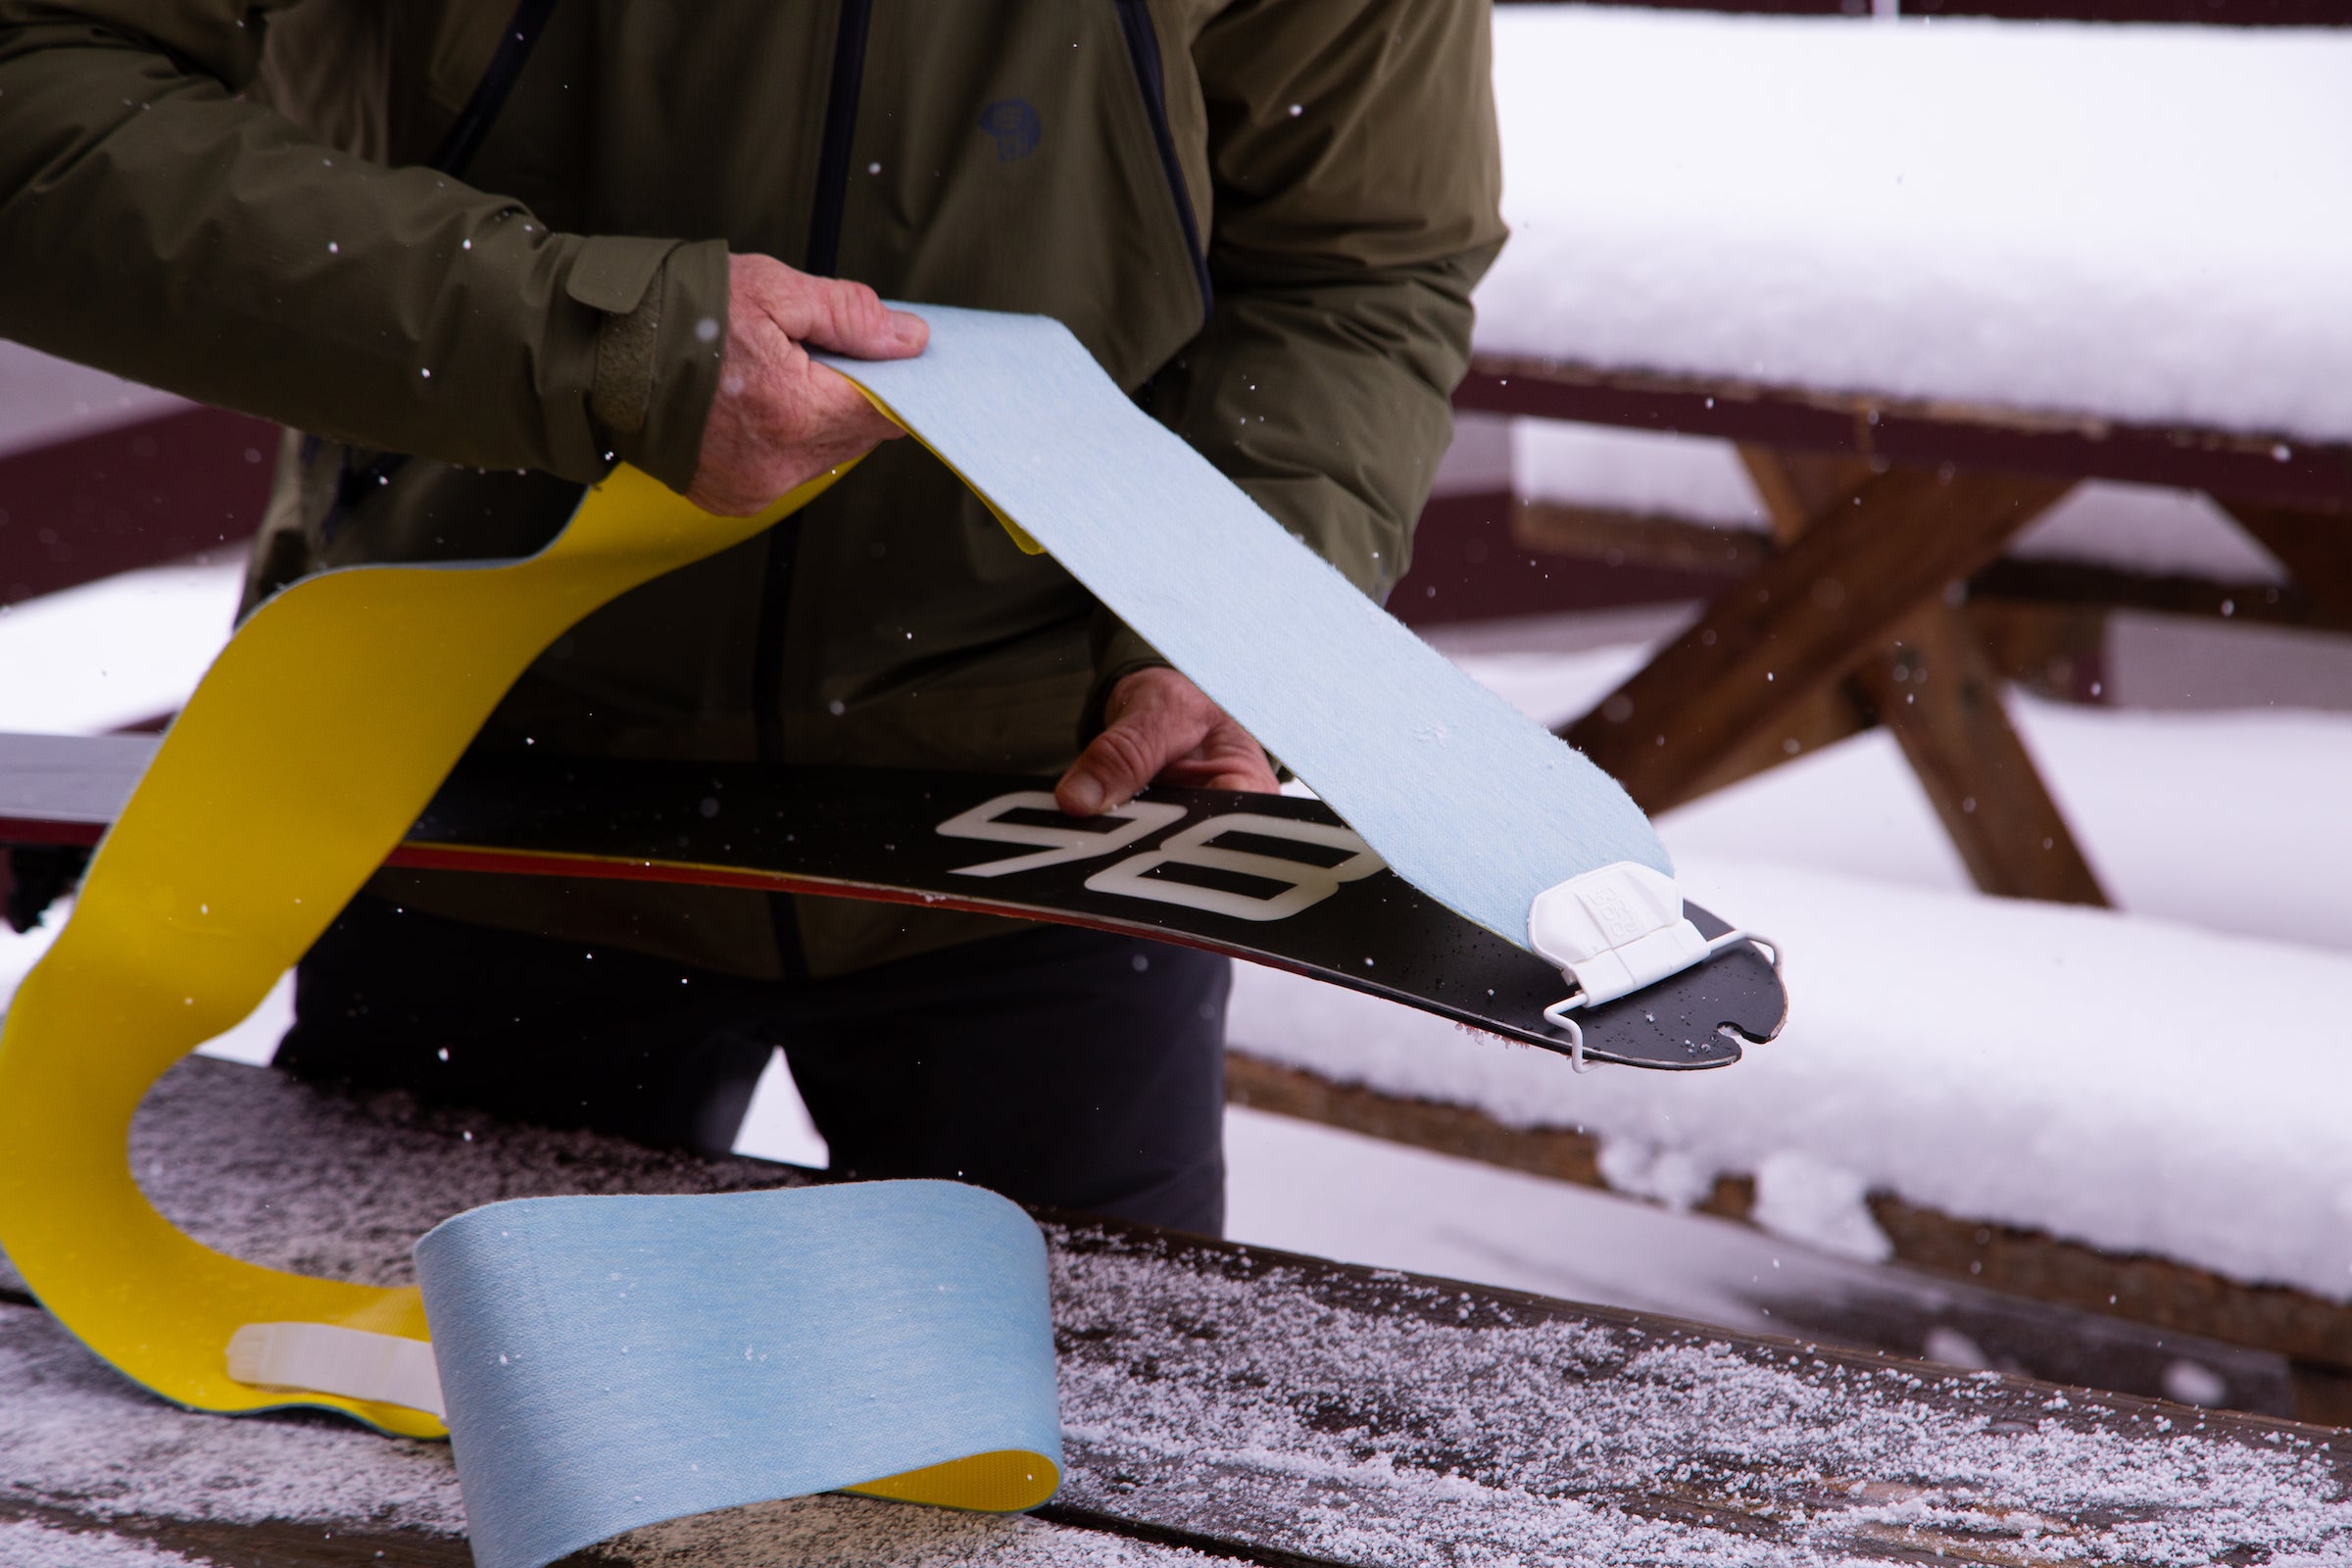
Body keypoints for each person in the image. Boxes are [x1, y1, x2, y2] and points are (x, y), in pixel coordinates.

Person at [0, 1, 1503, 1235]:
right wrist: (585, 348)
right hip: (483, 788)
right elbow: (35, 100)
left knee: (1083, 1489)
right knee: (423, 1492)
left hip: (1055, 833)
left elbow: (1361, 259)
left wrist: (1239, 603)